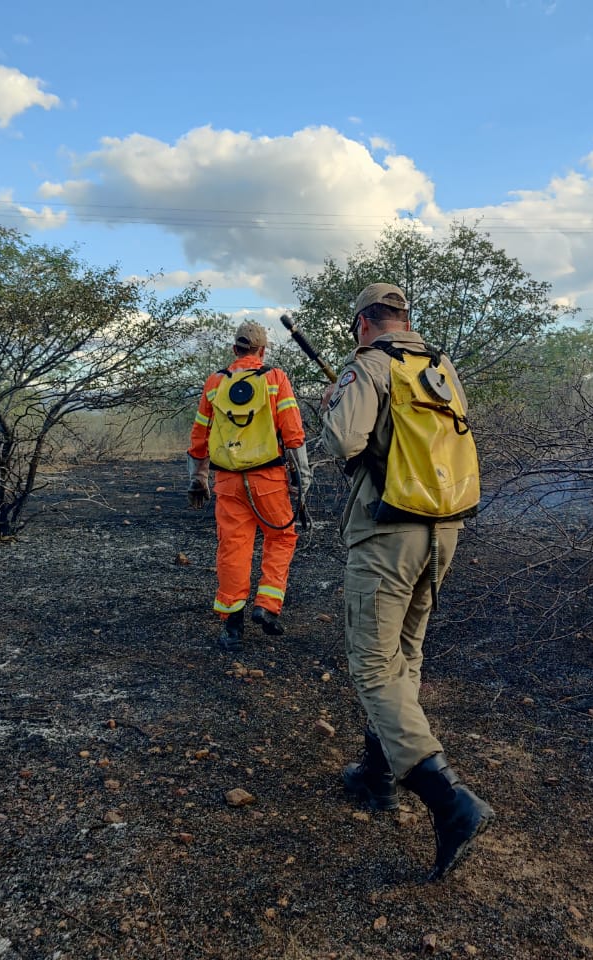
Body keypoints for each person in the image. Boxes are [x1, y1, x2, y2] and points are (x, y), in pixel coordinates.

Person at [320, 282, 493, 883]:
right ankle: (378, 773)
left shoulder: (368, 365)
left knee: (371, 665)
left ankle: (448, 799)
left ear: (364, 323)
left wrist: (332, 407)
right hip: (444, 529)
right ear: (405, 320)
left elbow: (343, 441)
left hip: (388, 530)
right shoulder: (441, 364)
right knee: (405, 654)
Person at [187, 320, 311, 652]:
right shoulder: (274, 378)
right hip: (268, 479)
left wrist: (197, 478)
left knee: (233, 547)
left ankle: (232, 625)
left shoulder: (214, 383)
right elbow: (292, 431)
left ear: (234, 350)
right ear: (262, 350)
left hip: (227, 481)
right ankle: (267, 606)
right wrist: (303, 476)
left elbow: (199, 435)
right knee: (281, 537)